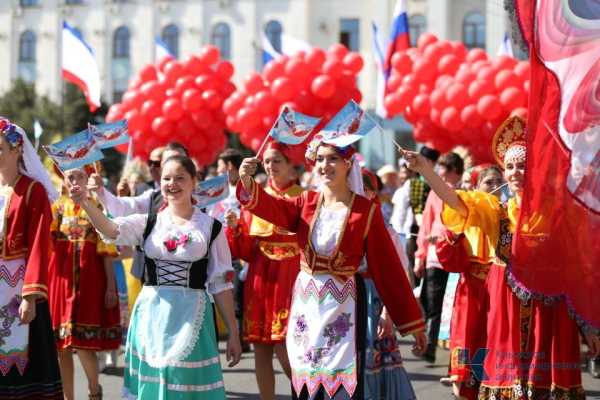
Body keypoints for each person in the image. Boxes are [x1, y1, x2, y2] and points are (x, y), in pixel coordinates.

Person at [401, 116, 600, 399]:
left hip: (551, 315)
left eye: (522, 166)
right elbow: (453, 198)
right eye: (510, 167)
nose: (515, 172)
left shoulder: (557, 215)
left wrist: (588, 325)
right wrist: (426, 170)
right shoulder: (496, 210)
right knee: (508, 386)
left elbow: (577, 272)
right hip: (506, 309)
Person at [237, 139, 426, 400]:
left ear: (348, 164)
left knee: (339, 376)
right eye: (321, 159)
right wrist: (248, 183)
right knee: (306, 371)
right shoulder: (306, 202)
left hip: (343, 301)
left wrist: (412, 323)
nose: (325, 165)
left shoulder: (365, 211)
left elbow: (389, 269)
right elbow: (273, 210)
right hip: (307, 301)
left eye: (333, 159)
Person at [67, 154, 242, 399]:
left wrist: (234, 333)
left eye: (180, 178)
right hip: (152, 314)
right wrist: (86, 202)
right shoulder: (149, 222)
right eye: (167, 178)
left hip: (193, 314)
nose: (172, 184)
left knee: (184, 385)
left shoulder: (210, 227)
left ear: (195, 182)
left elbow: (221, 284)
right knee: (155, 384)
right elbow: (110, 229)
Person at [224, 142, 302, 400]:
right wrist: (235, 228)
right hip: (260, 278)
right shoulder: (253, 197)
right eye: (267, 161)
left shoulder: (303, 197)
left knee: (285, 347)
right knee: (261, 349)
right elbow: (246, 250)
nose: (270, 166)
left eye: (277, 160)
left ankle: (308, 395)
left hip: (291, 277)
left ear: (292, 165)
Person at [0, 117, 63, 399]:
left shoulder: (32, 191)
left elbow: (40, 243)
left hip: (19, 290)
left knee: (24, 364)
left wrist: (30, 295)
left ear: (16, 150)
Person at [48, 167, 121, 400]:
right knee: (61, 346)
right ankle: (68, 397)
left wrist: (111, 286)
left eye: (79, 175)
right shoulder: (56, 208)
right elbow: (45, 246)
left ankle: (93, 389)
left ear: (86, 179)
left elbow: (107, 250)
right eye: (70, 176)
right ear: (64, 180)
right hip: (60, 283)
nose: (74, 180)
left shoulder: (95, 207)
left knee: (85, 343)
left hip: (90, 283)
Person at [435, 164, 504, 400]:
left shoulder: (510, 211)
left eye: (498, 181)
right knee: (467, 342)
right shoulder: (465, 214)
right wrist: (454, 236)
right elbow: (449, 260)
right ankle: (462, 391)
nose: (495, 187)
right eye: (488, 182)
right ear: (475, 187)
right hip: (472, 292)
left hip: (502, 292)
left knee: (499, 346)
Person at [360, 169, 416, 400]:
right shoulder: (336, 224)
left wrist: (388, 312)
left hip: (374, 301)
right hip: (345, 301)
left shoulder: (386, 230)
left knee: (375, 362)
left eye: (364, 188)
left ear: (373, 192)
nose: (358, 193)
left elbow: (399, 276)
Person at [414, 152, 464, 363]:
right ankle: (430, 346)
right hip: (435, 257)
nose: (439, 177)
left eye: (443, 172)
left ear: (455, 173)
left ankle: (455, 351)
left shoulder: (466, 193)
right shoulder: (435, 194)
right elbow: (426, 224)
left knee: (455, 305)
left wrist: (447, 234)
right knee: (432, 303)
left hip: (459, 258)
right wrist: (420, 255)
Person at [390, 146, 440, 286]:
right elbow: (406, 212)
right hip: (415, 233)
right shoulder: (415, 183)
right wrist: (398, 234)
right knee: (413, 272)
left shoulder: (433, 182)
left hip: (428, 232)